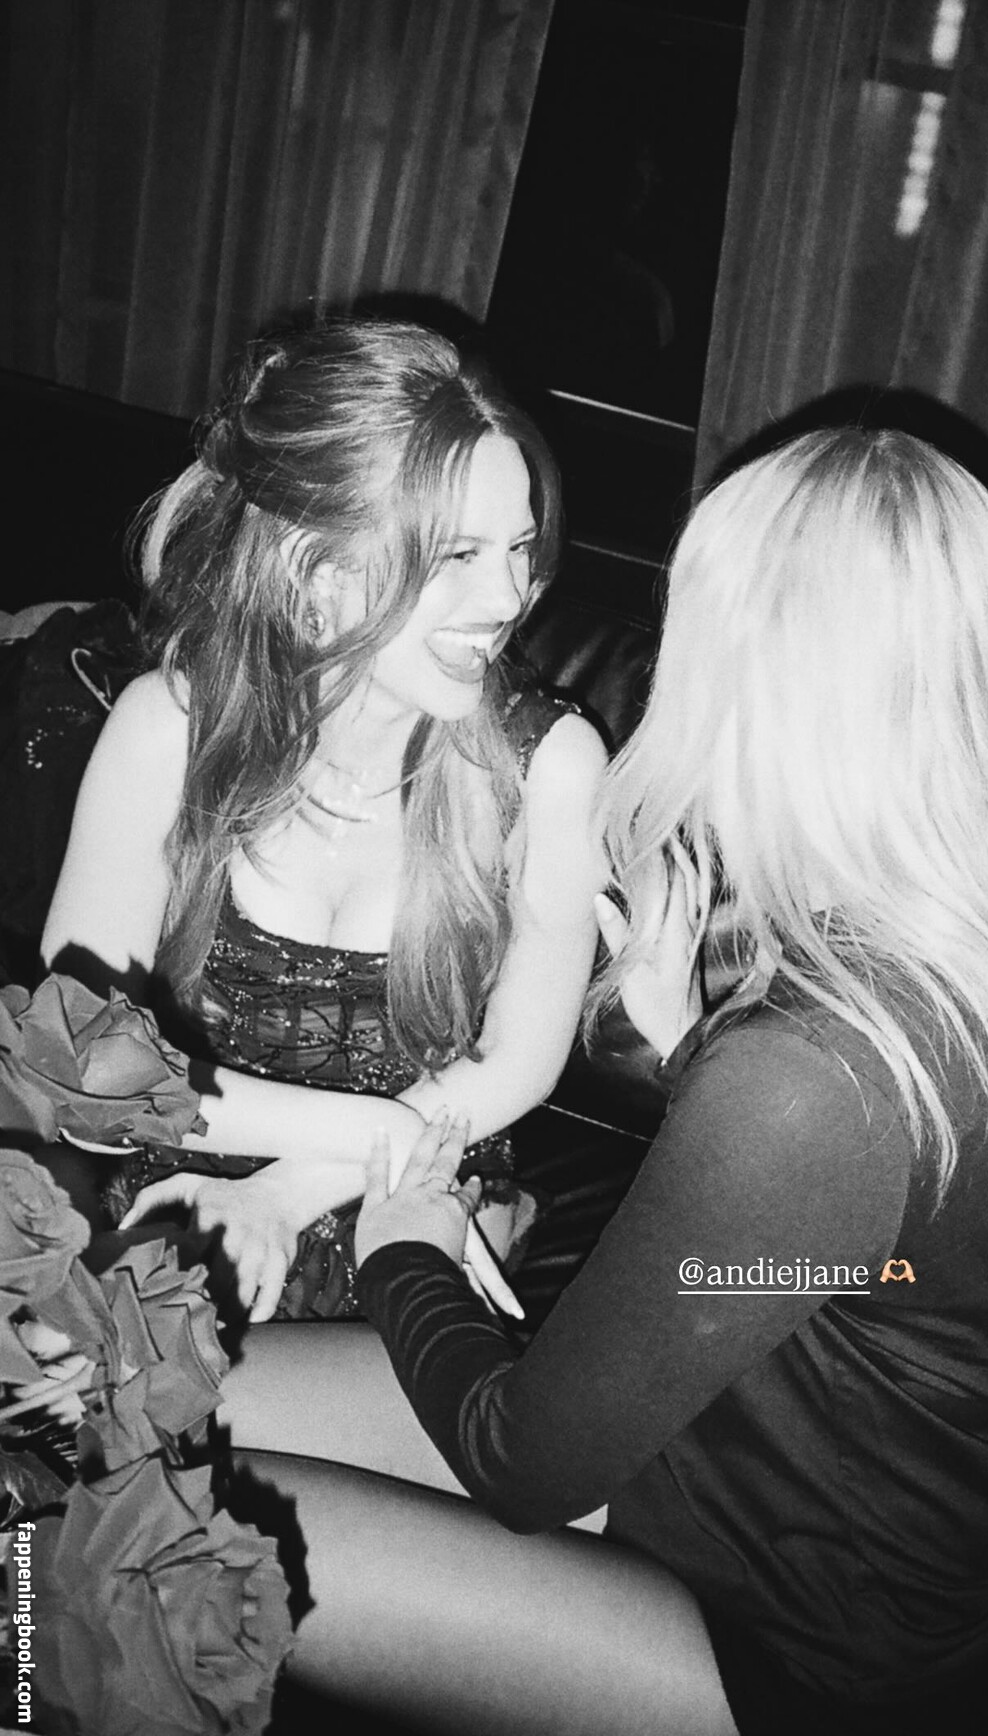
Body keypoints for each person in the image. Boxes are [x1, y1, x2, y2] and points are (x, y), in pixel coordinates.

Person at [226, 429, 988, 1735]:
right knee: (128, 1405)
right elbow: (842, 1251)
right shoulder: (983, 934)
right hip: (722, 1464)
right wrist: (689, 1048)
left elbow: (519, 1462)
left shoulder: (816, 1068)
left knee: (130, 1538)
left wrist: (406, 1245)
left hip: (793, 1639)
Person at [42, 317, 607, 1323]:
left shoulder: (548, 769)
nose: (509, 597)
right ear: (314, 567)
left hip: (414, 1200)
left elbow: (517, 1063)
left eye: (520, 548)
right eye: (459, 554)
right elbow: (84, 1064)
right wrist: (359, 1136)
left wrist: (288, 1191)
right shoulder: (168, 731)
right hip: (192, 1176)